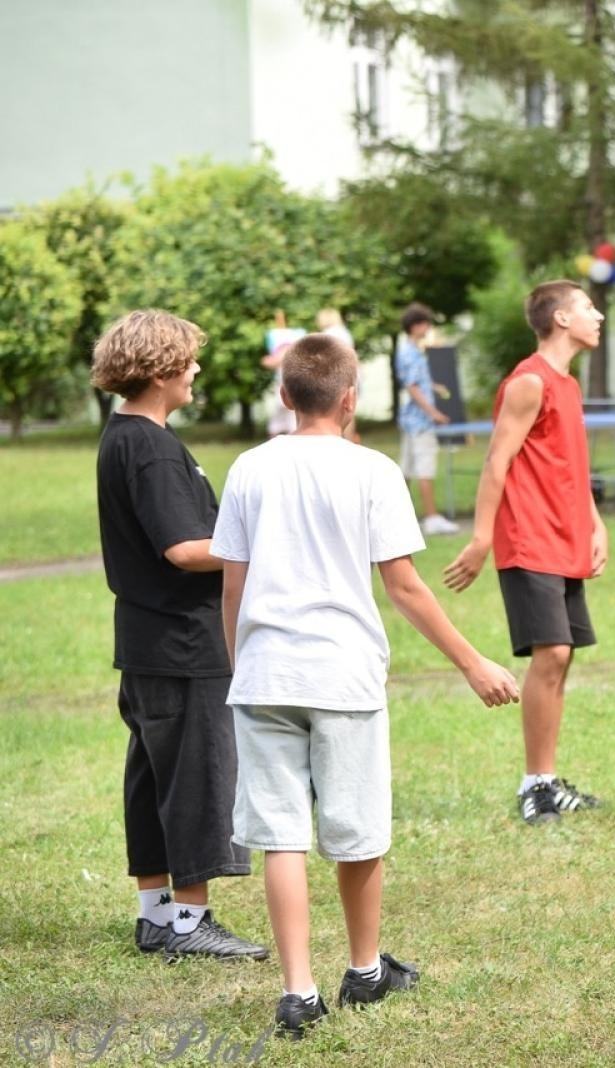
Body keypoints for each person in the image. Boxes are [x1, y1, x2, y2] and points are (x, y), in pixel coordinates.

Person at [213, 333, 519, 1039]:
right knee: (356, 831)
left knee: (281, 836)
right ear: (349, 401)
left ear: (284, 397)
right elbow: (405, 586)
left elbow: (234, 584)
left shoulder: (249, 469)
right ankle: (364, 969)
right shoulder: (374, 471)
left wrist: (242, 664)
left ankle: (298, 991)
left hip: (265, 674)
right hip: (343, 675)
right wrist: (473, 662)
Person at [89, 309, 267, 962]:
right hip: (183, 644)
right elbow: (186, 549)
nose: (196, 368)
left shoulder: (124, 436)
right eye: (188, 359)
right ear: (161, 369)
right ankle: (191, 924)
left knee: (153, 778)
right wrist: (260, 543)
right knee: (195, 779)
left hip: (145, 642)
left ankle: (155, 914)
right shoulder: (153, 449)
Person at [442, 280, 611, 825]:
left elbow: (570, 463)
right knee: (553, 653)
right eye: (588, 308)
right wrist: (482, 538)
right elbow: (496, 462)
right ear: (561, 319)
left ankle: (549, 779)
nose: (598, 315)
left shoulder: (567, 385)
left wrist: (596, 522)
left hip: (564, 534)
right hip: (528, 537)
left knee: (563, 658)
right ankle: (534, 785)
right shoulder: (529, 382)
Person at [395, 302, 459, 536]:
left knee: (407, 470)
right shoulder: (410, 352)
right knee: (424, 468)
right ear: (415, 325)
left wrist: (433, 386)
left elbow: (416, 382)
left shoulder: (408, 349)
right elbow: (412, 387)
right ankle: (431, 518)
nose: (428, 328)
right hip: (420, 421)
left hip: (411, 421)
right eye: (426, 323)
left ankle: (394, 517)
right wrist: (433, 413)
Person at [314, 308, 362, 444]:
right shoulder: (345, 333)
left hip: (335, 377)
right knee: (349, 410)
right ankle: (350, 440)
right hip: (352, 375)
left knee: (334, 411)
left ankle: (340, 439)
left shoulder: (326, 335)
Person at [262, 310, 306, 438]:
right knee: (281, 415)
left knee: (290, 416)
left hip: (290, 383)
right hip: (282, 383)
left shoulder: (292, 347)